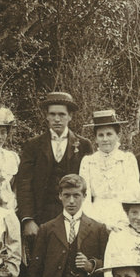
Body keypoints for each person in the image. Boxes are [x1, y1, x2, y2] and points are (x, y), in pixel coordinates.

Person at [16, 91, 93, 245]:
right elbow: (24, 183)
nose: (57, 119)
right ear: (47, 116)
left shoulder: (84, 145)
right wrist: (28, 219)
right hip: (41, 215)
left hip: (73, 212)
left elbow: (89, 184)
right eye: (52, 114)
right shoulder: (33, 145)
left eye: (62, 114)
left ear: (70, 116)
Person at [24, 174, 109, 277]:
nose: (71, 201)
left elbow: (108, 267)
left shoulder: (99, 229)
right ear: (59, 196)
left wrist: (91, 265)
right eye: (66, 195)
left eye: (76, 196)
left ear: (85, 196)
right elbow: (35, 269)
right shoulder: (47, 229)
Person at [78, 109, 140, 230]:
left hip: (123, 217)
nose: (105, 139)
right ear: (95, 138)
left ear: (118, 136)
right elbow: (84, 196)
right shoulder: (88, 161)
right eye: (101, 135)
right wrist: (98, 223)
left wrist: (123, 221)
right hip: (95, 217)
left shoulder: (127, 160)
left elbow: (134, 193)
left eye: (109, 134)